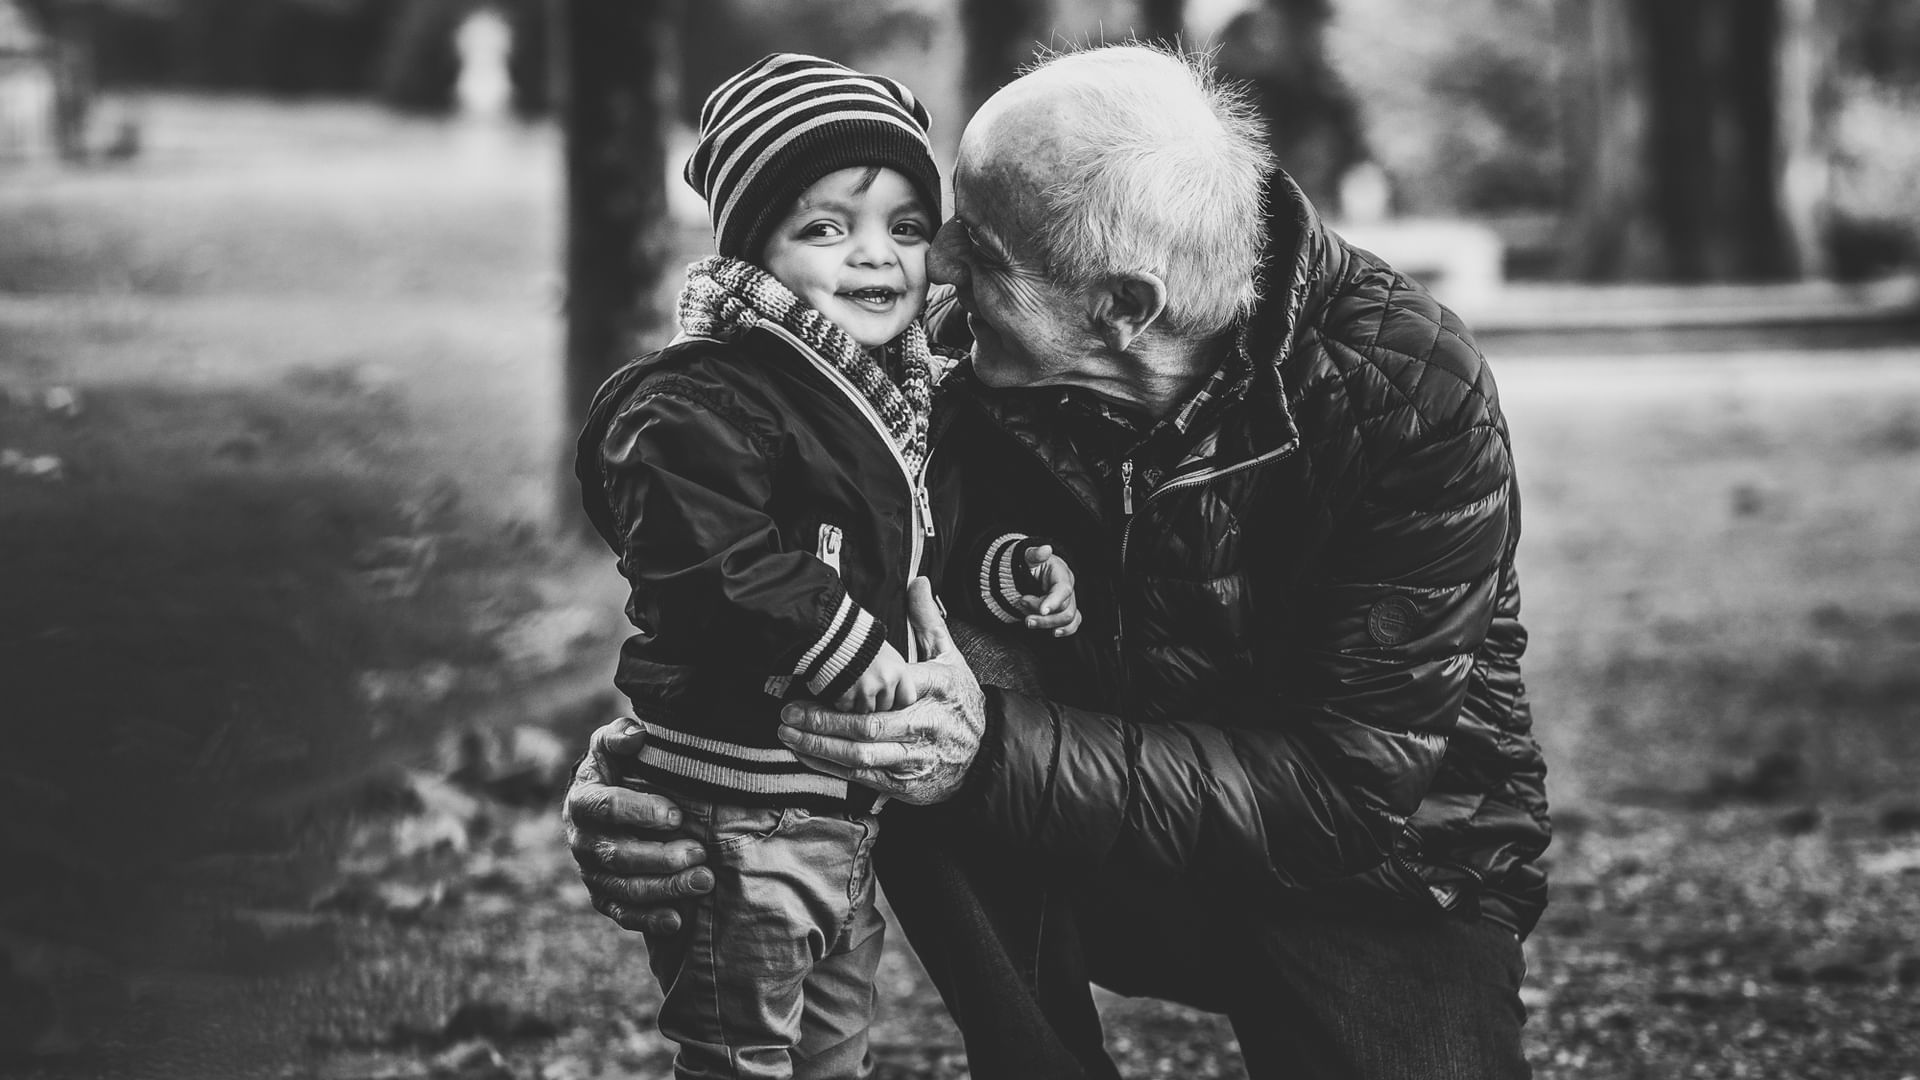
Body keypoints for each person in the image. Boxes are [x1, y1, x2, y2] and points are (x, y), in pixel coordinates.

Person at [566, 44, 1551, 1080]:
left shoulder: (1406, 393)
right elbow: (764, 572)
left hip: (1371, 880)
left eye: (977, 247)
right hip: (1088, 834)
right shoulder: (945, 355)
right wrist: (657, 773)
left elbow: (1347, 797)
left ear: (1124, 304)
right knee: (913, 678)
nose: (932, 266)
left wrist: (986, 753)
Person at [571, 53, 1077, 1080]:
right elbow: (711, 565)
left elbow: (924, 543)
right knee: (740, 1045)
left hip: (837, 813)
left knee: (835, 1041)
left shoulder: (896, 396)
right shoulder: (703, 400)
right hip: (734, 808)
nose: (876, 258)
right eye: (825, 228)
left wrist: (1006, 572)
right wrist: (843, 642)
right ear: (754, 249)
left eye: (904, 227)